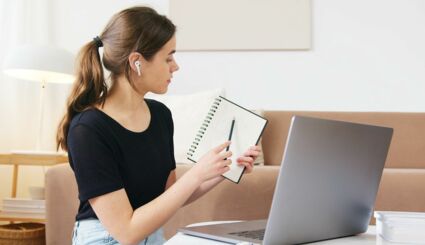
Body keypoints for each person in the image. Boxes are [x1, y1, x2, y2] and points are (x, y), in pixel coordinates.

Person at [56, 6, 261, 245]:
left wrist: (223, 169)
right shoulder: (88, 130)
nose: (175, 66)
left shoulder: (160, 115)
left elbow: (170, 194)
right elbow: (126, 231)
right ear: (137, 62)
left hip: (151, 238)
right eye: (168, 57)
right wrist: (195, 174)